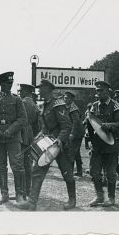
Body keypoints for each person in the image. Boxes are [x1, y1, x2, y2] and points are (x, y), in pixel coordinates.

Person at [16, 79, 74, 211]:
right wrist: (37, 138)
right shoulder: (44, 105)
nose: (39, 90)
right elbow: (44, 128)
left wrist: (60, 139)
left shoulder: (58, 104)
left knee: (67, 173)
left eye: (41, 88)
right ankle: (32, 202)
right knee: (37, 170)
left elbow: (66, 126)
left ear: (47, 88)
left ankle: (72, 200)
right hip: (48, 144)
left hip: (61, 145)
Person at [0, 72, 27, 206]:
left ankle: (19, 194)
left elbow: (22, 118)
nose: (10, 85)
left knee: (17, 166)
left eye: (11, 83)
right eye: (7, 83)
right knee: (0, 167)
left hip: (13, 138)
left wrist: (10, 130)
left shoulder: (16, 100)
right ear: (1, 84)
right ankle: (4, 194)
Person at [88, 81, 119, 207]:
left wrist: (109, 125)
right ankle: (99, 196)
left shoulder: (115, 106)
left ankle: (111, 198)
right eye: (97, 90)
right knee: (94, 171)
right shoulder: (94, 106)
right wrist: (90, 139)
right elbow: (91, 122)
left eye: (101, 90)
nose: (98, 93)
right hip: (97, 145)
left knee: (110, 173)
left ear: (108, 91)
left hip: (111, 145)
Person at [18, 83, 40, 199]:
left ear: (26, 91)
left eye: (21, 91)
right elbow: (37, 125)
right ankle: (27, 190)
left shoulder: (24, 102)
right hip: (30, 135)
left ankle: (22, 191)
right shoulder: (34, 104)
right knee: (28, 164)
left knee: (21, 164)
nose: (20, 93)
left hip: (22, 135)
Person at [63, 91, 84, 177]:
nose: (65, 99)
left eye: (67, 98)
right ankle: (79, 171)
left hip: (77, 133)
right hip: (74, 132)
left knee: (71, 152)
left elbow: (76, 123)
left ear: (71, 99)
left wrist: (72, 134)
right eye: (64, 97)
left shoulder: (73, 109)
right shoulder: (67, 107)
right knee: (76, 152)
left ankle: (70, 172)